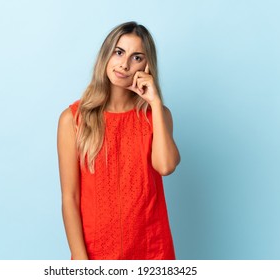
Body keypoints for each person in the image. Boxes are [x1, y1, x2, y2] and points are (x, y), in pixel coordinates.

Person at [57, 21, 180, 260]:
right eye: (119, 52)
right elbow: (69, 198)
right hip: (96, 253)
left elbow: (165, 167)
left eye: (137, 57)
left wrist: (155, 103)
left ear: (147, 65)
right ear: (107, 55)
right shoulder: (72, 120)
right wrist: (80, 260)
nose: (124, 64)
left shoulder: (157, 115)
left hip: (152, 251)